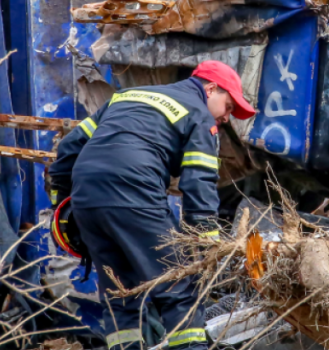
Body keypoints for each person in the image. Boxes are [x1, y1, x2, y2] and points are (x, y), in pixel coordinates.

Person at [48, 61, 256, 350]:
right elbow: (199, 182)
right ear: (210, 89)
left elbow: (70, 146)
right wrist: (207, 243)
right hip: (134, 195)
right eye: (229, 107)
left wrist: (61, 204)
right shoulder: (198, 115)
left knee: (121, 296)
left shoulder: (127, 96)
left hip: (87, 201)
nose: (226, 118)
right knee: (181, 287)